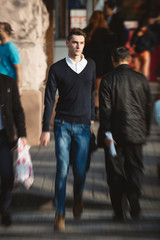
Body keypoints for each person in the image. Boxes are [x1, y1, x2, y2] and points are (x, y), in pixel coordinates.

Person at [40, 28, 95, 232]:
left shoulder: (91, 66)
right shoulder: (56, 69)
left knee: (80, 172)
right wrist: (45, 128)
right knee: (62, 169)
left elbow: (91, 93)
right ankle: (60, 214)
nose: (78, 46)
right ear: (67, 44)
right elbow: (48, 101)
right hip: (62, 125)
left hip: (83, 126)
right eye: (74, 42)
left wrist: (92, 120)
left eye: (81, 42)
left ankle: (78, 195)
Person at [98, 47, 152, 221]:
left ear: (113, 60)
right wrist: (145, 131)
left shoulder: (108, 79)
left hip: (114, 135)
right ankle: (134, 203)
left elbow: (105, 111)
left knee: (115, 172)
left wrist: (106, 133)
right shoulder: (141, 80)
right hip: (137, 133)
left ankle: (119, 210)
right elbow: (147, 108)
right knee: (135, 169)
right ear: (129, 60)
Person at [0, 73, 27, 226]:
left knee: (7, 175)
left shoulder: (8, 82)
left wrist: (22, 134)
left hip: (4, 136)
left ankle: (4, 208)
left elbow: (18, 110)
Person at [83, 10, 114, 120]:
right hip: (102, 67)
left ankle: (90, 111)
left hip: (87, 65)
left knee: (89, 90)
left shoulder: (85, 32)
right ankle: (98, 112)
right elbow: (110, 51)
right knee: (100, 91)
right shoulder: (107, 33)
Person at [0, 22, 22, 92]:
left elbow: (18, 68)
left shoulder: (11, 48)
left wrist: (18, 87)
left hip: (8, 84)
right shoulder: (1, 46)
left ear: (6, 33)